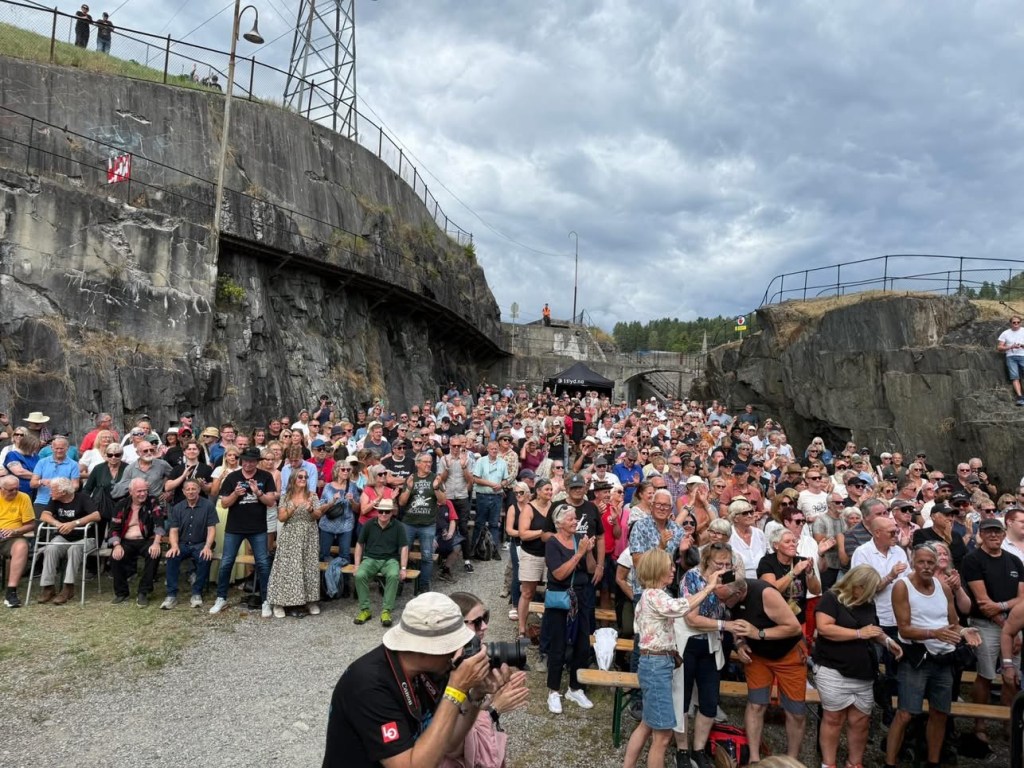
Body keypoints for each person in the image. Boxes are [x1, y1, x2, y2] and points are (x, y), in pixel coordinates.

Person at [322, 592, 507, 768]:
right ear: (428, 647)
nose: (459, 652)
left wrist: (475, 695)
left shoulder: (431, 668)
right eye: (454, 645)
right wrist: (455, 690)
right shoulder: (369, 685)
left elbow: (451, 746)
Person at [884, 543, 982, 768]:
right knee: (905, 714)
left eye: (930, 562)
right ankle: (890, 763)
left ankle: (933, 762)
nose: (926, 566)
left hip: (944, 658)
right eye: (921, 562)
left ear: (937, 564)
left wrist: (965, 632)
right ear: (913, 563)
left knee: (940, 713)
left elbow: (953, 623)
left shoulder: (943, 587)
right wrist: (933, 633)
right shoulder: (902, 586)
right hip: (916, 658)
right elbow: (904, 629)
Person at [623, 547, 721, 768]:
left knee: (647, 725)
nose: (673, 570)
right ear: (657, 570)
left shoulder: (648, 596)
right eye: (669, 567)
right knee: (663, 735)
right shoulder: (655, 596)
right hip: (657, 666)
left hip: (654, 663)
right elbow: (681, 607)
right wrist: (709, 588)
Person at [813, 565, 903, 768]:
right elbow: (824, 628)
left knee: (861, 721)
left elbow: (873, 629)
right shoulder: (831, 598)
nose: (870, 595)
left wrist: (888, 642)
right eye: (868, 590)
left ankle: (855, 763)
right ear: (856, 584)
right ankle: (828, 764)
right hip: (834, 669)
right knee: (833, 719)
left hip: (863, 672)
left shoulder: (867, 602)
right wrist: (858, 634)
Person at [676, 545, 747, 768]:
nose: (724, 568)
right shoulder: (692, 578)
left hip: (711, 644)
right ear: (707, 561)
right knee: (682, 700)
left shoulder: (726, 577)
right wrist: (724, 625)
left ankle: (699, 749)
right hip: (688, 643)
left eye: (728, 564)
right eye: (719, 564)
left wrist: (734, 589)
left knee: (709, 701)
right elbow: (691, 619)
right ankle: (682, 750)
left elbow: (731, 606)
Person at [441, 592, 531, 768]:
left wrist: (481, 694)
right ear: (454, 627)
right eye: (476, 622)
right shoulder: (442, 669)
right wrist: (494, 709)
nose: (484, 626)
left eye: (485, 618)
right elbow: (453, 747)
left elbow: (464, 712)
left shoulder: (467, 660)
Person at [724, 574, 807, 762]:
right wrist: (740, 644)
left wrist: (758, 633)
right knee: (756, 705)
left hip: (788, 653)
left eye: (725, 599)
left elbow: (794, 628)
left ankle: (791, 761)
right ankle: (754, 760)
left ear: (739, 593)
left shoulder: (765, 593)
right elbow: (736, 627)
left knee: (795, 712)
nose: (722, 603)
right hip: (757, 656)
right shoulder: (726, 597)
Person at [962, 516, 1024, 745]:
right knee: (985, 674)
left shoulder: (1014, 561)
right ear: (981, 534)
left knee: (1012, 675)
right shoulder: (973, 559)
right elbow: (982, 602)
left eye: (997, 531)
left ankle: (1010, 723)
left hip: (1013, 623)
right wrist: (1008, 624)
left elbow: (1022, 597)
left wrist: (1003, 608)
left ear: (1004, 534)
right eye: (988, 531)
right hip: (985, 624)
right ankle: (979, 723)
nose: (993, 535)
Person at [210, 447, 278, 617]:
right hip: (235, 527)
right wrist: (235, 494)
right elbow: (224, 503)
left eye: (252, 461)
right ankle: (221, 598)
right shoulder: (232, 477)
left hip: (258, 528)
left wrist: (258, 492)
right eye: (245, 460)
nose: (248, 464)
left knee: (263, 563)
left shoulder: (265, 476)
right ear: (242, 460)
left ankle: (266, 600)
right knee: (227, 562)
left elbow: (270, 502)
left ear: (257, 462)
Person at [544, 503, 596, 714]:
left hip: (581, 598)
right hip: (560, 599)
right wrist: (579, 553)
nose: (576, 522)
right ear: (559, 523)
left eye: (575, 518)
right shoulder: (552, 543)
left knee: (582, 644)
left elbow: (591, 569)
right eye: (571, 519)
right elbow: (559, 574)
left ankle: (575, 688)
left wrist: (588, 552)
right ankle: (553, 690)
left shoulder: (579, 539)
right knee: (558, 646)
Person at [267, 468, 323, 618]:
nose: (303, 479)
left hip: (309, 535)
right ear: (293, 479)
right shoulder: (285, 497)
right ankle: (279, 603)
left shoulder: (312, 495)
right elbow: (281, 518)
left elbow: (318, 515)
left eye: (305, 477)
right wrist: (292, 508)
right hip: (290, 535)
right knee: (287, 568)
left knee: (309, 567)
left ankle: (310, 601)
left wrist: (311, 509)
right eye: (300, 477)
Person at [37, 477, 100, 605]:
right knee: (50, 548)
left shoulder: (82, 498)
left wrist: (74, 523)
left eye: (53, 490)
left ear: (63, 492)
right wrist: (57, 523)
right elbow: (44, 515)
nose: (50, 493)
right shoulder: (54, 499)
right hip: (64, 537)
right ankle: (48, 587)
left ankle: (68, 587)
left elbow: (96, 515)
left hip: (85, 537)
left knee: (74, 549)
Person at [161, 478, 218, 609]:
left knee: (205, 557)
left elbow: (211, 529)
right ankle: (171, 595)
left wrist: (207, 547)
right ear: (183, 491)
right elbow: (173, 530)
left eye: (193, 489)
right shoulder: (177, 508)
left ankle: (197, 593)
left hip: (200, 543)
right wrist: (174, 546)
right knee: (172, 556)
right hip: (182, 544)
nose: (191, 492)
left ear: (198, 490)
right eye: (188, 489)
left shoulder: (208, 506)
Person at [108, 478, 165, 606]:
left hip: (146, 539)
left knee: (154, 554)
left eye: (145, 490)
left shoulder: (152, 501)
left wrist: (156, 543)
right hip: (126, 540)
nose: (143, 494)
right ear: (131, 492)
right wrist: (117, 545)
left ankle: (143, 592)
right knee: (115, 557)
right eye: (139, 491)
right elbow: (114, 528)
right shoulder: (121, 504)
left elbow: (159, 523)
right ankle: (121, 593)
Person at [353, 498, 408, 627]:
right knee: (360, 575)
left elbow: (404, 547)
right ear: (377, 512)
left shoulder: (399, 526)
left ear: (391, 513)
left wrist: (403, 568)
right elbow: (359, 544)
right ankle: (365, 610)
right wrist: (356, 565)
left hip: (390, 560)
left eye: (387, 512)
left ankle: (386, 611)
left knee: (393, 575)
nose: (383, 514)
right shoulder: (368, 524)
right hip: (370, 558)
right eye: (381, 511)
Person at [398, 452, 445, 593]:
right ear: (417, 463)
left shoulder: (435, 478)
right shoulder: (411, 478)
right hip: (409, 523)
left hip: (428, 524)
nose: (428, 464)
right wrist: (409, 488)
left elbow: (443, 501)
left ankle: (424, 586)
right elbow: (401, 502)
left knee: (427, 557)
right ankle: (399, 582)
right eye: (425, 462)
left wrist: (436, 488)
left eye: (430, 462)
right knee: (402, 553)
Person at [0, 475, 36, 608]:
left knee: (22, 546)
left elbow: (31, 525)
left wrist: (15, 531)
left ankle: (11, 592)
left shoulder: (23, 497)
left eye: (17, 488)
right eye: (11, 490)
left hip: (13, 536)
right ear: (2, 489)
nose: (15, 492)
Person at [471, 441, 509, 557]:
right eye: (492, 448)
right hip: (482, 496)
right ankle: (474, 549)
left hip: (497, 497)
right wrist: (491, 484)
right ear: (487, 449)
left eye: (496, 448)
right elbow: (475, 479)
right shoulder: (481, 461)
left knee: (494, 524)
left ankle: (493, 551)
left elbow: (505, 479)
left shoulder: (502, 462)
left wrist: (501, 485)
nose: (494, 450)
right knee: (479, 523)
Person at [728, 498, 767, 579]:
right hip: (739, 580)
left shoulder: (759, 533)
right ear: (735, 518)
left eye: (751, 512)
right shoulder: (729, 535)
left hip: (762, 579)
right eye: (745, 513)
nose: (750, 515)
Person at [997, 314, 1024, 405]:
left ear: (1020, 323)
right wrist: (1010, 347)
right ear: (1010, 323)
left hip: (1023, 355)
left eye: (1018, 322)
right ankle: (1020, 397)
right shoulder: (1005, 333)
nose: (1016, 324)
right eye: (1014, 322)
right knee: (1014, 377)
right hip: (1011, 357)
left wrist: (1022, 345)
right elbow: (999, 347)